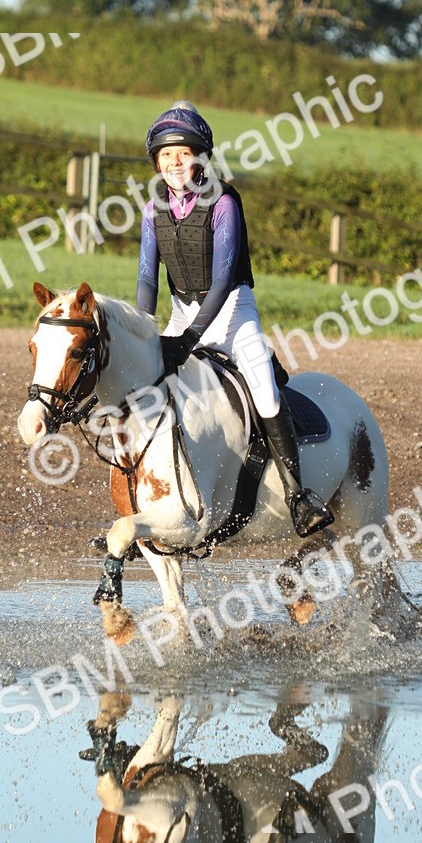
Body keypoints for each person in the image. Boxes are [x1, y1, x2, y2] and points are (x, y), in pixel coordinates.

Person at [136, 101, 333, 539]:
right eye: (165, 156)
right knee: (144, 383)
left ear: (201, 156)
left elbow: (223, 279)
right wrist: (141, 326)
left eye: (182, 153)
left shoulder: (223, 202)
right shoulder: (153, 209)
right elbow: (147, 278)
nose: (173, 163)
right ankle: (145, 495)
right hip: (181, 309)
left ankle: (299, 498)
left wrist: (188, 339)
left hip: (232, 312)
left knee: (263, 391)